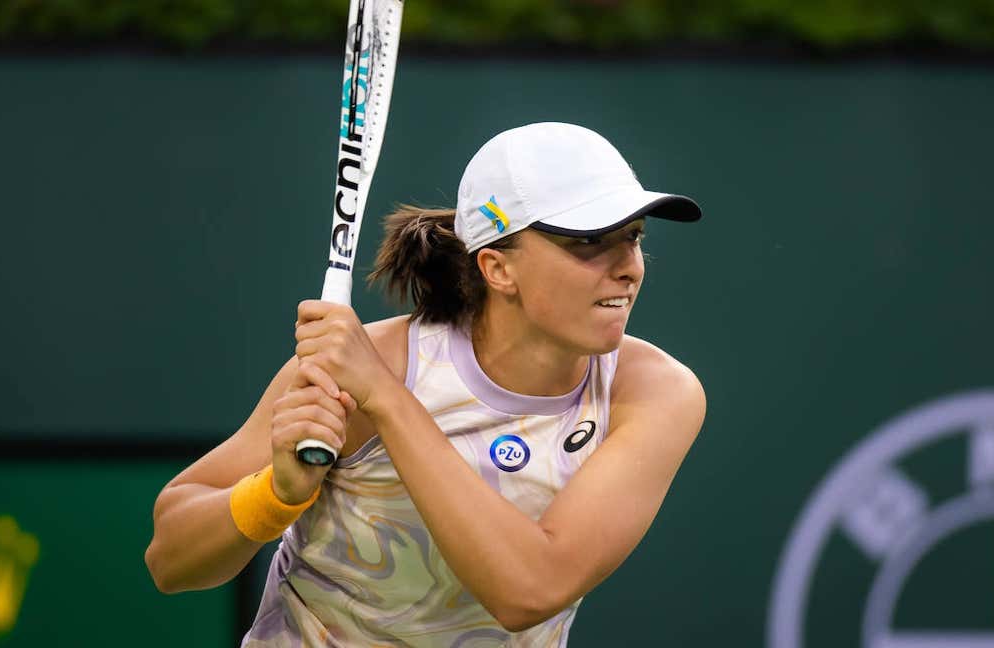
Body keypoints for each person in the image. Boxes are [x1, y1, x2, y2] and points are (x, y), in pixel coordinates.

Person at [145, 122, 706, 647]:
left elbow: (530, 590)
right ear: (497, 268)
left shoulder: (654, 391)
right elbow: (170, 561)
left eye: (632, 237)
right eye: (589, 242)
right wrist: (275, 495)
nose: (628, 266)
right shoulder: (377, 363)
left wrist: (386, 400)